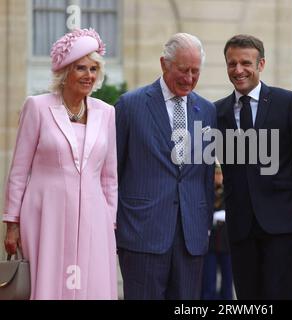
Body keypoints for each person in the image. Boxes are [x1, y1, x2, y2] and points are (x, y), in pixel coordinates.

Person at [3, 28, 118, 299]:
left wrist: (110, 223)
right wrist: (11, 223)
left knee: (89, 285)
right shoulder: (37, 107)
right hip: (46, 214)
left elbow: (109, 177)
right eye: (81, 68)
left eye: (93, 69)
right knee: (51, 284)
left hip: (94, 217)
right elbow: (19, 170)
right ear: (66, 71)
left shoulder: (107, 112)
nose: (89, 75)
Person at [215, 34, 292, 299]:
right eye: (232, 64)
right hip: (240, 227)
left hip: (283, 225)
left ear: (261, 64)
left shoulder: (287, 102)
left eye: (245, 63)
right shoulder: (216, 112)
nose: (238, 70)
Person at [115, 33, 216, 300]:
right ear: (164, 64)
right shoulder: (129, 106)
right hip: (142, 234)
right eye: (183, 70)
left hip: (190, 237)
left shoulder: (207, 111)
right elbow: (112, 172)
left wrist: (203, 225)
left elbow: (205, 175)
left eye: (196, 71)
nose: (189, 78)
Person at [201, 164, 234, 300]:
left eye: (220, 174)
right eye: (216, 173)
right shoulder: (209, 190)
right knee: (209, 281)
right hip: (211, 243)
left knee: (228, 281)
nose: (218, 177)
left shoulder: (229, 190)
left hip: (227, 243)